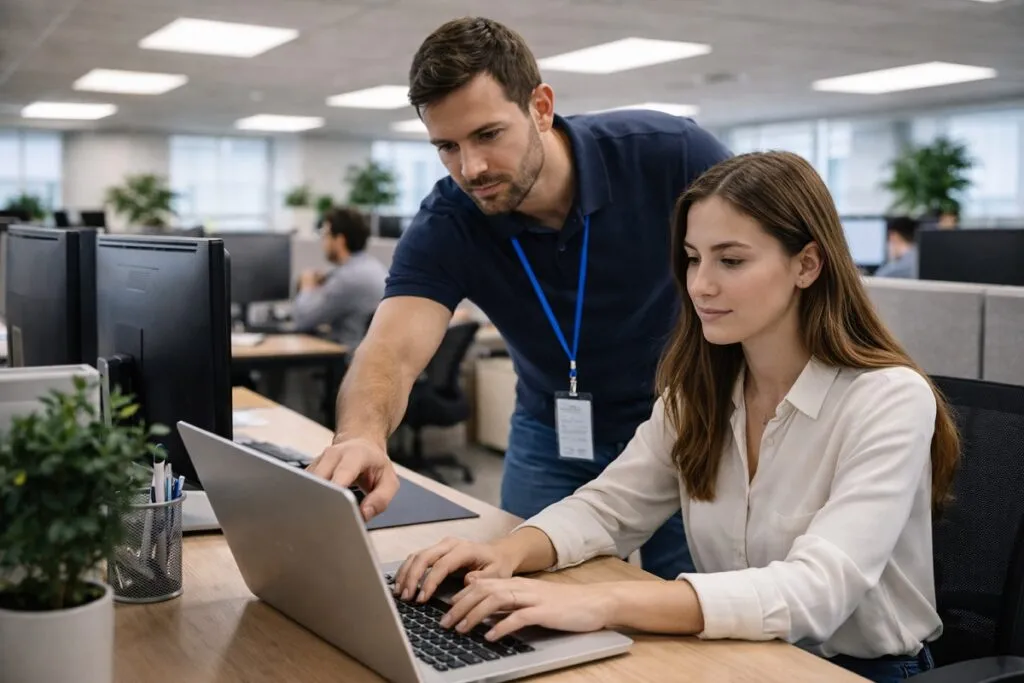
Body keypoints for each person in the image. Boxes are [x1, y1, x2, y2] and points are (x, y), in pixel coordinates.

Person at [391, 151, 960, 683]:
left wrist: (601, 602)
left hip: (856, 671)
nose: (700, 285)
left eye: (731, 260)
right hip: (742, 653)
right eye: (692, 259)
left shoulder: (887, 399)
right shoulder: (701, 392)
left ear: (807, 264)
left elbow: (818, 591)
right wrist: (507, 550)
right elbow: (610, 507)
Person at [307, 17, 731, 580]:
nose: (470, 168)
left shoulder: (671, 155)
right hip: (552, 427)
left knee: (694, 598)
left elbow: (771, 271)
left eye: (487, 135)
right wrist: (362, 434)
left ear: (541, 107)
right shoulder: (449, 222)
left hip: (685, 419)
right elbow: (390, 348)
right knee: (515, 589)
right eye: (447, 147)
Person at [292, 206, 387, 348]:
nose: (323, 241)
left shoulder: (347, 279)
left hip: (348, 361)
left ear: (339, 240)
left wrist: (307, 285)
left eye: (325, 234)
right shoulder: (375, 268)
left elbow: (302, 319)